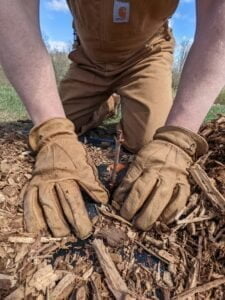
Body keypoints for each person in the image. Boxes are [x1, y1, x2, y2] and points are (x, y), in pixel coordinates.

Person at [0, 0, 225, 239]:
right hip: (89, 59)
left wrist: (178, 138)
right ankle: (107, 104)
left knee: (148, 140)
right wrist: (52, 131)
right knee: (60, 122)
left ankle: (128, 99)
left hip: (147, 57)